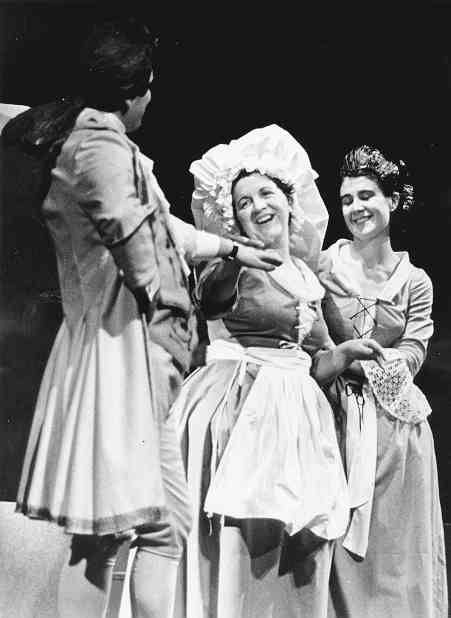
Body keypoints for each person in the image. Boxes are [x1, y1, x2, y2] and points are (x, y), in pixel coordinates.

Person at [4, 19, 282, 618]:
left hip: (135, 354)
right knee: (127, 531)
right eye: (149, 87)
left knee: (143, 529)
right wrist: (159, 292)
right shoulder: (100, 148)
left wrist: (234, 250)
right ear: (132, 89)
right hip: (126, 355)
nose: (151, 99)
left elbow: (161, 226)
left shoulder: (94, 140)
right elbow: (129, 229)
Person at [169, 125, 387, 618]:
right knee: (240, 535)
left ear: (290, 201)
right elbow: (210, 299)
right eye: (243, 202)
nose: (257, 206)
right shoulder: (232, 265)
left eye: (266, 193)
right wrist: (233, 254)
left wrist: (345, 353)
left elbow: (313, 364)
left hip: (297, 412)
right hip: (239, 404)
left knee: (294, 540)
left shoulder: (308, 277)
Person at [317, 145, 448, 617]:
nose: (356, 207)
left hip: (394, 431)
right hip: (331, 417)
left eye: (367, 195)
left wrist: (355, 360)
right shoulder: (323, 266)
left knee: (393, 556)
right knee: (332, 551)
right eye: (347, 199)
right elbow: (310, 339)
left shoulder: (415, 281)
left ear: (392, 200)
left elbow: (412, 355)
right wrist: (343, 358)